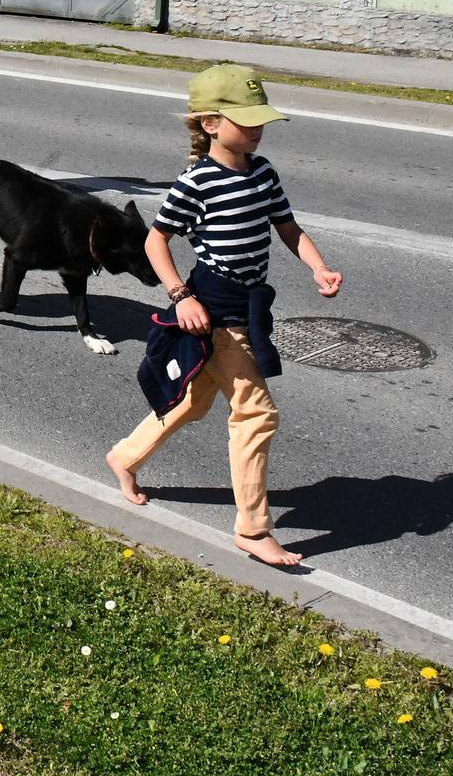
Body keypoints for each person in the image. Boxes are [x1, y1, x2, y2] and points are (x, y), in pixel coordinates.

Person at [105, 64, 344, 569]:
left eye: (260, 120)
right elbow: (155, 239)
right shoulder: (197, 182)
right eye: (245, 119)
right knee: (257, 414)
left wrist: (318, 267)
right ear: (210, 123)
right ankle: (253, 530)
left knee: (193, 401)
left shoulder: (262, 172)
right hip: (212, 311)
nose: (256, 129)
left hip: (248, 306)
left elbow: (287, 228)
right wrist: (180, 296)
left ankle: (124, 457)